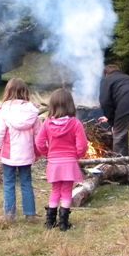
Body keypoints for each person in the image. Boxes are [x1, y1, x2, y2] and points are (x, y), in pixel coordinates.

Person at [0, 78, 42, 221]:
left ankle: (9, 215)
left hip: (9, 156)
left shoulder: (3, 113)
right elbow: (39, 136)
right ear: (25, 92)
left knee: (9, 184)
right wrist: (38, 153)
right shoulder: (33, 112)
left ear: (8, 92)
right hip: (26, 155)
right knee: (26, 183)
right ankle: (30, 214)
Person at [35, 88, 88, 231]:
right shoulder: (75, 123)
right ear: (70, 105)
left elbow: (39, 142)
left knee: (55, 190)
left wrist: (48, 154)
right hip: (69, 162)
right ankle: (64, 223)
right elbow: (82, 145)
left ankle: (50, 221)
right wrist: (77, 155)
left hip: (54, 163)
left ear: (52, 105)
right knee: (66, 191)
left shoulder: (47, 123)